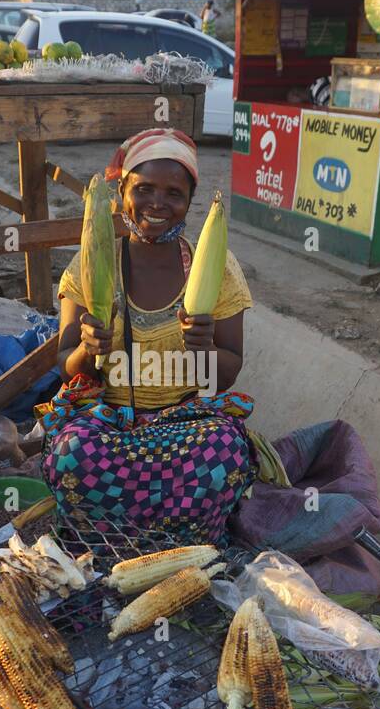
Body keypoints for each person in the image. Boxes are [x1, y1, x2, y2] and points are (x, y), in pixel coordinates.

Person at [39, 128, 278, 545]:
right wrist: (87, 347)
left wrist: (203, 348)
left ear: (189, 201)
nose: (157, 204)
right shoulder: (89, 265)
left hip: (185, 421)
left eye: (174, 193)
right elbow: (65, 368)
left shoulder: (217, 269)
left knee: (223, 450)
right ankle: (108, 546)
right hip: (109, 421)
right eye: (144, 188)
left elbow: (225, 376)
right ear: (121, 192)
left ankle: (183, 549)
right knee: (72, 453)